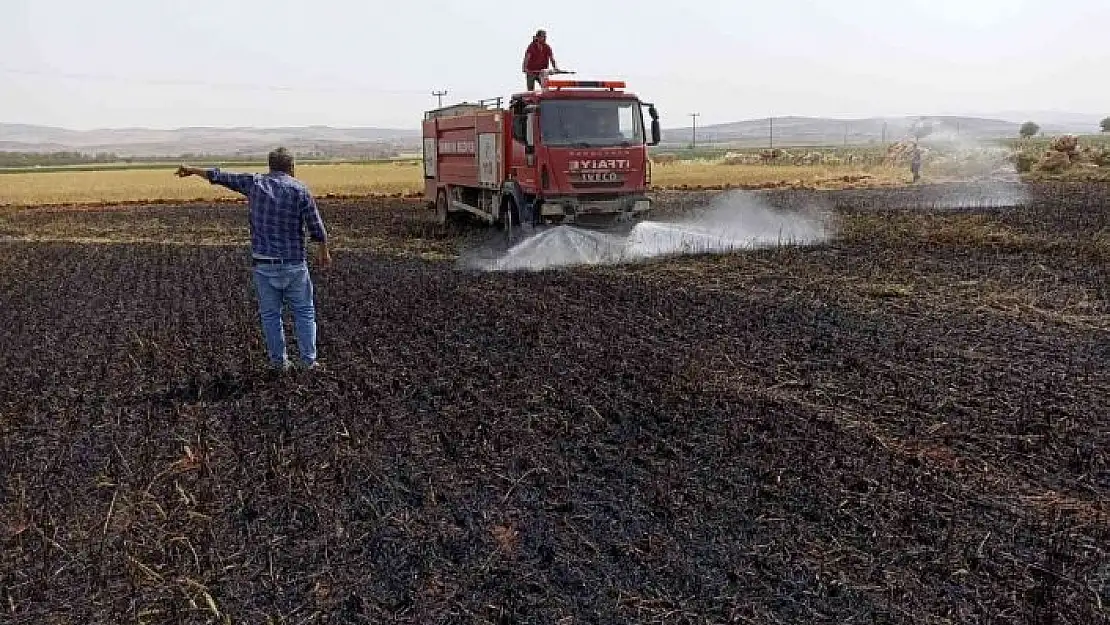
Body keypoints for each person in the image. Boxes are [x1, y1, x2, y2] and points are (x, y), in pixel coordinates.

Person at [175, 147, 331, 372]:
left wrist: (191, 170)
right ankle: (308, 362)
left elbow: (220, 176)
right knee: (304, 313)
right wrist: (323, 250)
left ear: (270, 166)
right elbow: (316, 227)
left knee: (270, 316)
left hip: (264, 265)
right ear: (291, 167)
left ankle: (279, 363)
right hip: (294, 264)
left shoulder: (254, 184)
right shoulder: (300, 190)